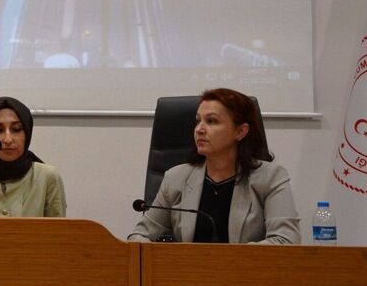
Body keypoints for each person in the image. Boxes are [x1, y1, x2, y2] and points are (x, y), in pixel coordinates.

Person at [128, 88, 300, 244]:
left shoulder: (270, 177)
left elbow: (286, 240)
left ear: (240, 131)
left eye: (212, 121)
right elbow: (138, 236)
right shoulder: (176, 178)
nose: (199, 129)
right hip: (188, 269)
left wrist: (227, 261)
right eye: (198, 121)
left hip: (246, 269)